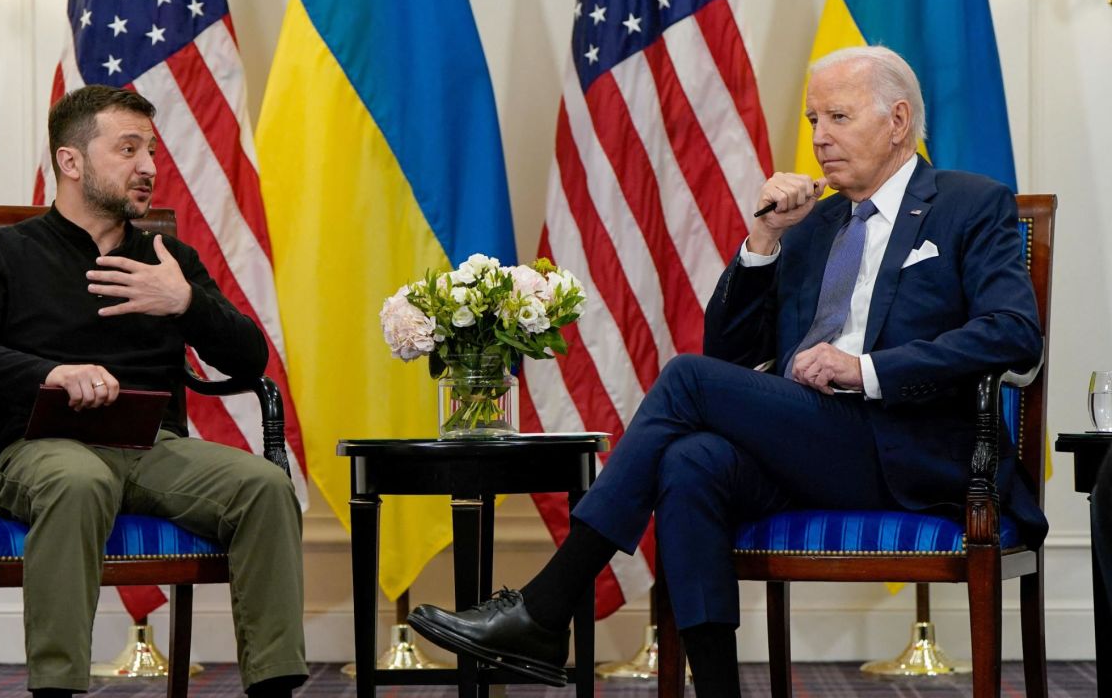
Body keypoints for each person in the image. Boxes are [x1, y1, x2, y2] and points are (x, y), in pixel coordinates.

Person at [406, 46, 1048, 697]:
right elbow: (731, 357)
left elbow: (1013, 332)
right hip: (809, 444)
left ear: (898, 120)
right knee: (691, 462)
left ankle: (547, 607)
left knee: (685, 380)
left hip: (911, 450)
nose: (819, 138)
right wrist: (763, 242)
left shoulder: (969, 204)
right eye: (813, 120)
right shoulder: (813, 223)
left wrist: (866, 369)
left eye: (838, 117)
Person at [0, 85, 307, 698]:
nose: (148, 166)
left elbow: (248, 358)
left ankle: (274, 687)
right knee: (79, 480)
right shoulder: (7, 254)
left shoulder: (166, 259)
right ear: (70, 161)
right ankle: (56, 687)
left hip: (154, 448)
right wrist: (48, 373)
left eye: (151, 151)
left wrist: (185, 301)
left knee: (264, 486)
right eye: (128, 149)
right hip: (39, 447)